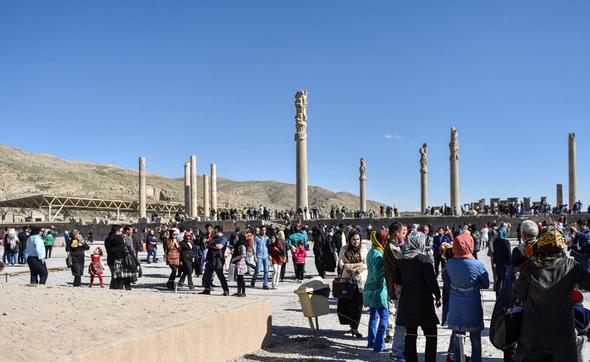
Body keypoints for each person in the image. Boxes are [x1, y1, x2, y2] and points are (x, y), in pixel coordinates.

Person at [512, 226, 590, 361]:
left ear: (541, 243)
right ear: (561, 243)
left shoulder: (529, 266)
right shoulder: (573, 265)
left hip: (534, 334)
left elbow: (518, 293)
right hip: (563, 333)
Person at [393, 231, 441, 362]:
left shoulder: (401, 260)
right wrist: (438, 296)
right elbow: (432, 281)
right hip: (423, 302)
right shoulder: (424, 259)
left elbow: (397, 281)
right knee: (431, 335)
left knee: (410, 335)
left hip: (407, 301)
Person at [443, 232, 489, 362]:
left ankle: (459, 359)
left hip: (456, 304)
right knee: (475, 338)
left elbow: (446, 281)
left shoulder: (449, 264)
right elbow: (485, 284)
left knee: (458, 337)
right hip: (472, 304)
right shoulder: (478, 264)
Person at [337, 229, 367, 338]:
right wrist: (354, 266)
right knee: (346, 304)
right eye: (353, 239)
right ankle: (351, 325)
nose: (356, 241)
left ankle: (355, 327)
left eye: (358, 239)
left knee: (358, 305)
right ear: (350, 239)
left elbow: (365, 263)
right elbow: (341, 263)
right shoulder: (344, 249)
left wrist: (355, 268)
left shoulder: (363, 249)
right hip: (347, 280)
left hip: (359, 281)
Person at [384, 222, 407, 361]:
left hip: (396, 287)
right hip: (396, 289)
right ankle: (397, 351)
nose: (403, 235)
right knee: (401, 321)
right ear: (395, 233)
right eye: (401, 232)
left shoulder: (394, 246)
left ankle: (400, 350)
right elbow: (402, 265)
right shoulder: (392, 248)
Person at [363, 230, 389, 352]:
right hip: (378, 289)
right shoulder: (378, 255)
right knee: (384, 317)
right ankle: (379, 344)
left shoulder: (372, 251)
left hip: (370, 287)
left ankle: (371, 342)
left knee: (373, 316)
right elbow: (379, 275)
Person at [200, 225, 230, 296]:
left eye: (215, 230)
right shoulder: (214, 238)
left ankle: (226, 291)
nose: (213, 231)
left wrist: (210, 243)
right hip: (210, 259)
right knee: (207, 275)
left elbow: (219, 246)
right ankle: (207, 289)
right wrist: (209, 243)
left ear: (218, 230)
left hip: (218, 260)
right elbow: (206, 245)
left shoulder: (223, 239)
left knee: (220, 276)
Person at [492, 230, 512, 295]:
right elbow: (509, 254)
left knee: (499, 279)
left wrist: (494, 261)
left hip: (498, 263)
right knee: (504, 280)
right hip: (505, 264)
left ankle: (497, 294)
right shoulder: (506, 242)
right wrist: (510, 263)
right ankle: (503, 295)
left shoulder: (495, 242)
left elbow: (494, 253)